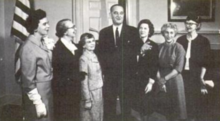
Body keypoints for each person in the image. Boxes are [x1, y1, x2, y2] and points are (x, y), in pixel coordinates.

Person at [96, 4, 140, 121]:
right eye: (115, 13)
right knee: (109, 104)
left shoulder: (133, 31)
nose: (119, 16)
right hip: (110, 76)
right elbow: (101, 55)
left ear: (124, 15)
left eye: (121, 13)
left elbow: (137, 52)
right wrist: (104, 72)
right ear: (110, 15)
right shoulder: (104, 32)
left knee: (126, 105)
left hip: (127, 75)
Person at [177, 13, 212, 121]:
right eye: (187, 23)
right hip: (182, 75)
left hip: (197, 75)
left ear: (198, 25)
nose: (188, 26)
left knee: (195, 104)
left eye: (191, 24)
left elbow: (206, 63)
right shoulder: (180, 40)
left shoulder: (204, 41)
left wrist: (201, 79)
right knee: (183, 103)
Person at [20, 9, 53, 121]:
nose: (48, 26)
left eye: (48, 23)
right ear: (34, 27)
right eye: (44, 24)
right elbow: (27, 80)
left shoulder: (42, 43)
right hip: (38, 93)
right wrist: (38, 102)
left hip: (47, 91)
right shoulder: (28, 47)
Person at [156, 23, 187, 121]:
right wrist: (160, 80)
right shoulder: (158, 47)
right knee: (164, 107)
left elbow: (178, 68)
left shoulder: (179, 47)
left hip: (174, 79)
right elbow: (155, 66)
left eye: (171, 33)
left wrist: (164, 79)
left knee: (177, 109)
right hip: (160, 78)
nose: (169, 35)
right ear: (163, 34)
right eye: (166, 32)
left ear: (174, 34)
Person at [52, 19, 80, 121]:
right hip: (63, 92)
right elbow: (58, 73)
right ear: (64, 31)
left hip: (75, 90)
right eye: (72, 27)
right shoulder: (56, 49)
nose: (75, 29)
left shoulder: (76, 46)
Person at [133, 19, 159, 121]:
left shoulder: (154, 46)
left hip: (147, 80)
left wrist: (150, 82)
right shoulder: (132, 45)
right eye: (140, 28)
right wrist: (140, 51)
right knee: (136, 106)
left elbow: (154, 65)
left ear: (149, 31)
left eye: (145, 28)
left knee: (147, 105)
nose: (142, 30)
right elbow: (130, 63)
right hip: (134, 79)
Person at [78, 33, 103, 121]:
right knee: (91, 117)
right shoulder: (83, 59)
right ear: (84, 45)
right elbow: (83, 80)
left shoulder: (94, 55)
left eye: (93, 41)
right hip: (90, 93)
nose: (92, 43)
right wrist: (87, 99)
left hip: (98, 91)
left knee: (98, 116)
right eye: (89, 42)